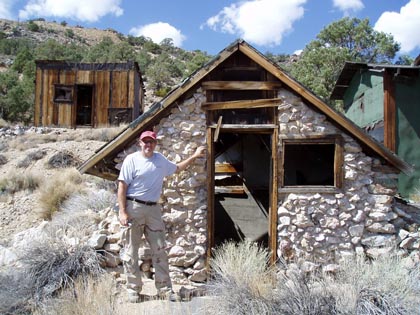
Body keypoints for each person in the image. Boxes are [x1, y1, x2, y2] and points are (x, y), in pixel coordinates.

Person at [117, 130, 206, 303]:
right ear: (140, 143)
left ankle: (165, 289)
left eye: (151, 142)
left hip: (153, 210)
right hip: (133, 207)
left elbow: (177, 168)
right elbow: (122, 186)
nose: (148, 145)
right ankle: (133, 290)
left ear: (155, 143)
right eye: (145, 142)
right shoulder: (131, 160)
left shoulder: (160, 160)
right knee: (131, 251)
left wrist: (194, 156)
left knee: (160, 250)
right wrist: (122, 212)